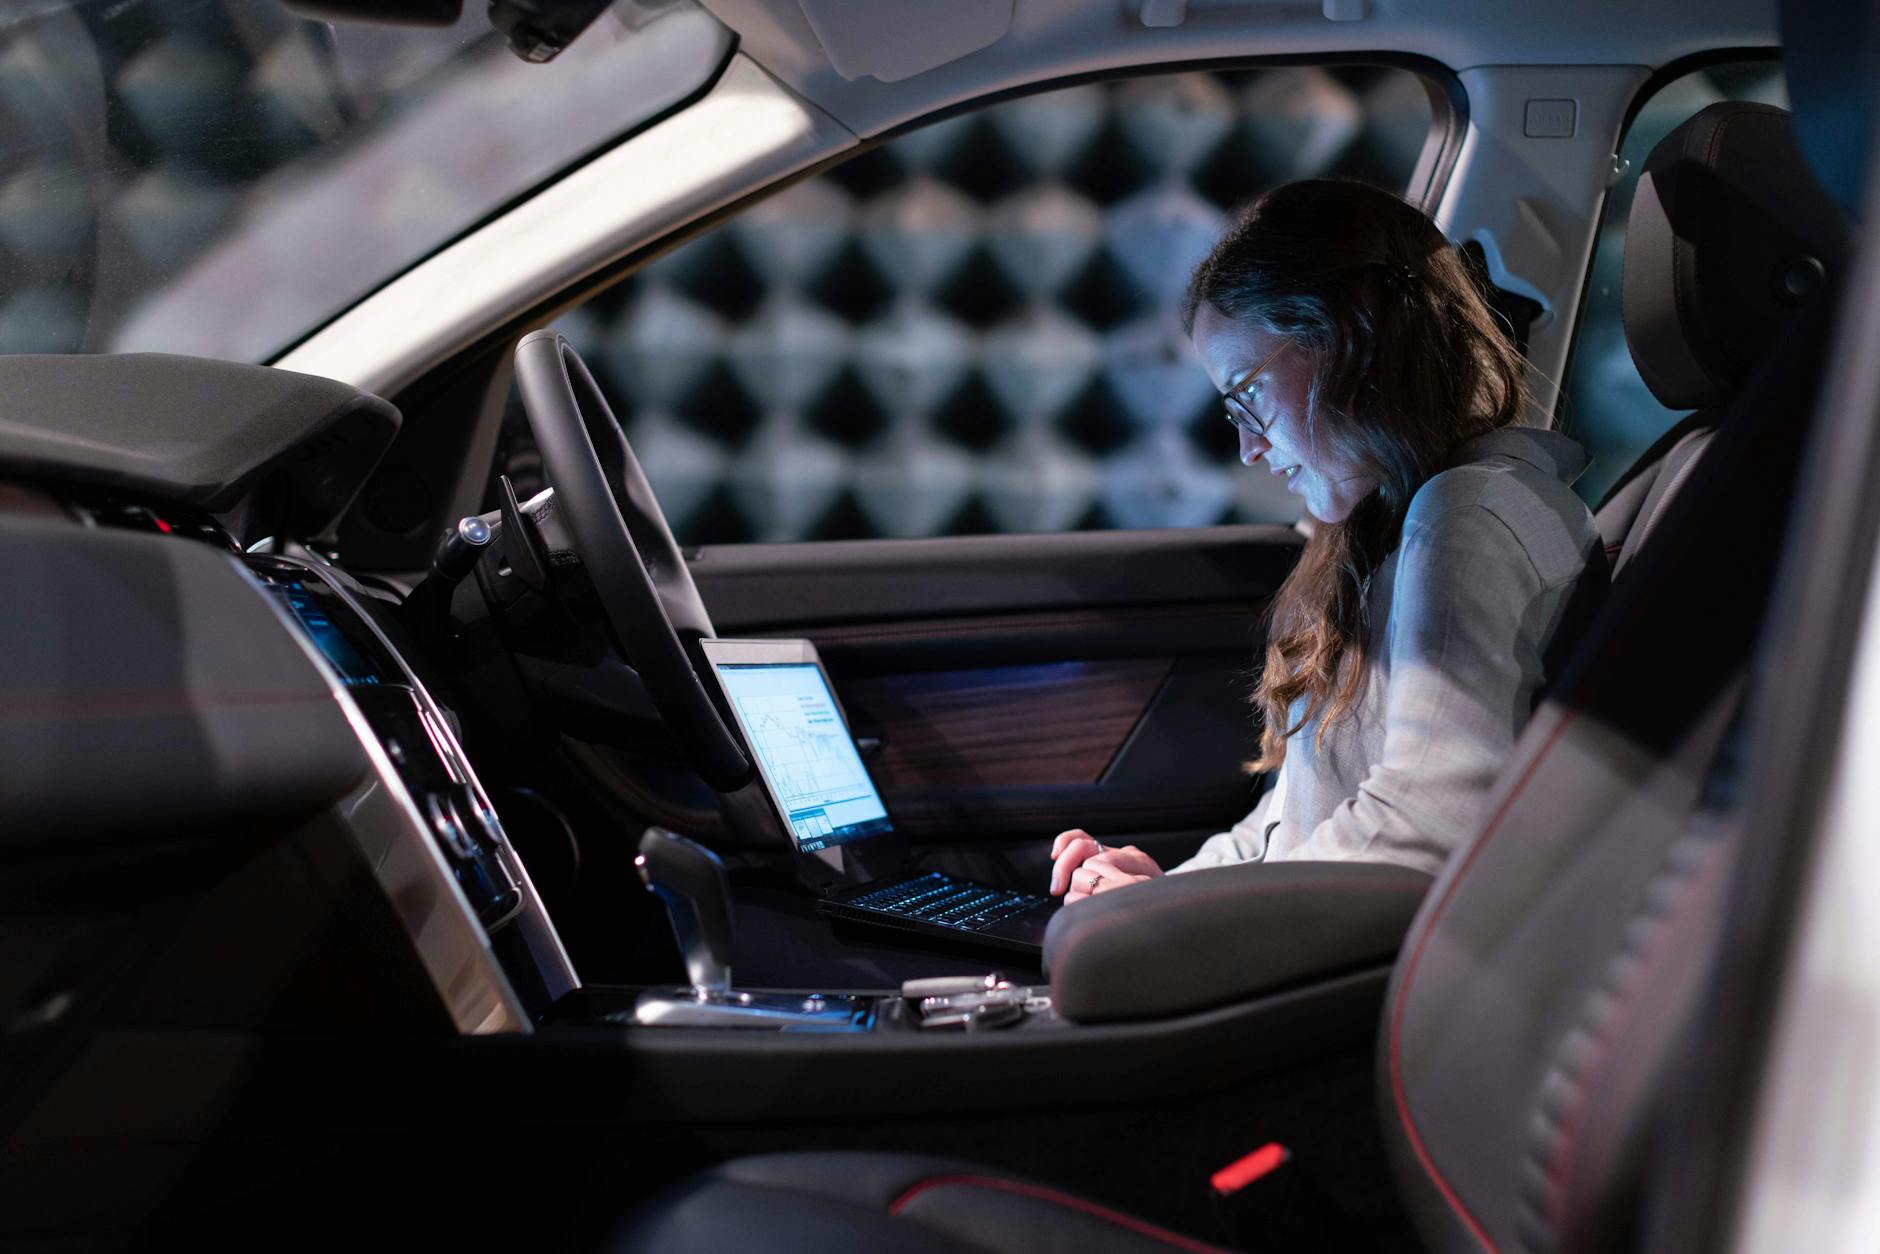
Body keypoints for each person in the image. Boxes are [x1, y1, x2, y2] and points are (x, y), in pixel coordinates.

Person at [1050, 179, 1599, 904]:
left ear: (1350, 343)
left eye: (1247, 396)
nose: (1247, 448)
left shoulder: (1467, 516)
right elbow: (1285, 828)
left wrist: (1185, 927)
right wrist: (1157, 898)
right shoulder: (1381, 532)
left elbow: (1426, 827)